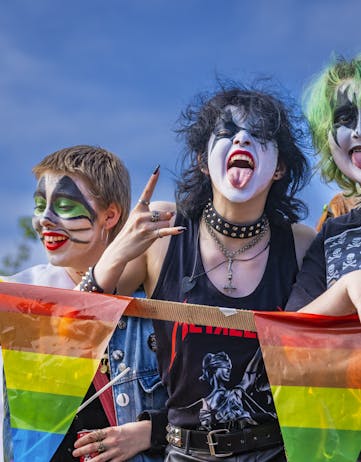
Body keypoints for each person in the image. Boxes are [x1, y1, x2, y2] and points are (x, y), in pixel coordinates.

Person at [73, 83, 316, 461]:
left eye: (259, 135)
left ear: (280, 167)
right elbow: (74, 330)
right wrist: (115, 254)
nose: (243, 141)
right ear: (204, 159)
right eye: (227, 133)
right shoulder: (164, 234)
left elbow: (329, 362)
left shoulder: (300, 243)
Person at [1, 145, 168, 461]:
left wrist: (152, 431)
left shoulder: (152, 304)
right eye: (40, 206)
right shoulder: (18, 295)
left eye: (63, 206)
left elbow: (205, 405)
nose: (43, 221)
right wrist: (113, 259)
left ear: (111, 215)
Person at [286, 55, 361, 313]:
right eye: (344, 118)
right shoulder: (332, 232)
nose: (358, 130)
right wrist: (346, 289)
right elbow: (288, 334)